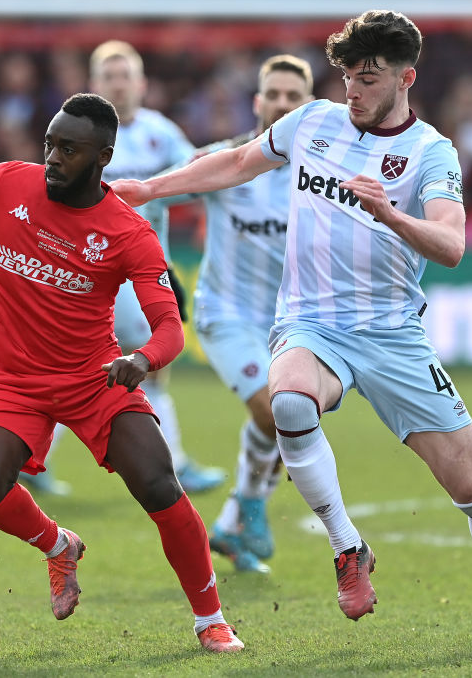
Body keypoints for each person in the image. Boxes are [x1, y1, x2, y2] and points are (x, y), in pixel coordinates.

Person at [111, 10, 472, 644]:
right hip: (311, 322)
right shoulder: (314, 122)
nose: (352, 90)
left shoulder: (429, 152)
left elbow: (452, 243)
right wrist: (150, 189)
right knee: (289, 402)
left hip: (393, 336)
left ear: (406, 78)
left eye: (369, 79)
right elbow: (236, 163)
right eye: (348, 75)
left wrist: (390, 214)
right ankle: (347, 546)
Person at [0, 93, 244, 653]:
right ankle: (58, 545)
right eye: (50, 144)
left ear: (103, 157)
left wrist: (142, 360)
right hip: (13, 380)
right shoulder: (10, 181)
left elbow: (169, 328)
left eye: (69, 149)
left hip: (95, 380)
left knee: (160, 485)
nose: (54, 158)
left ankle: (210, 619)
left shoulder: (128, 232)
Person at [18, 40, 223, 496]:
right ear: (94, 85)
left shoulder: (162, 134)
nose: (119, 84)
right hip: (86, 271)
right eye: (109, 77)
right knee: (108, 365)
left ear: (142, 83)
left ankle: (33, 460)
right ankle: (174, 463)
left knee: (108, 367)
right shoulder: (75, 133)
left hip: (141, 268)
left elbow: (198, 178)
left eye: (125, 75)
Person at [152, 55, 314, 573]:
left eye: (294, 96)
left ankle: (228, 527)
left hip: (293, 323)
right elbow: (153, 196)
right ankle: (250, 504)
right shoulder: (226, 160)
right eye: (275, 94)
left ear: (308, 106)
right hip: (226, 316)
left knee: (292, 422)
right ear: (258, 101)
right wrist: (158, 267)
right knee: (271, 410)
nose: (283, 104)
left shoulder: (322, 169)